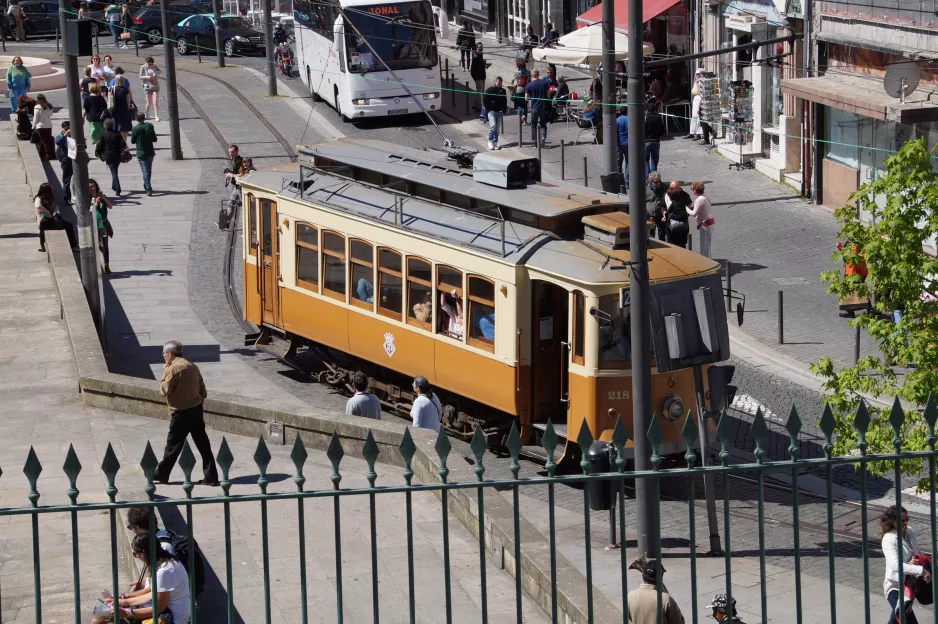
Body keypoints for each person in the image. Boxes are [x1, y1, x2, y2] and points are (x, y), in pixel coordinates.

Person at [154, 340, 220, 486]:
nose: (163, 355)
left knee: (173, 445)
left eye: (164, 353)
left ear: (170, 354)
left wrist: (165, 371)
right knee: (204, 445)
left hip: (181, 413)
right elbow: (203, 390)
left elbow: (164, 391)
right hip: (196, 410)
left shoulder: (173, 369)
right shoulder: (192, 366)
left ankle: (161, 474)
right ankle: (211, 477)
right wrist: (197, 402)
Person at [89, 532, 190, 623]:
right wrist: (124, 600)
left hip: (171, 618)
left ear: (142, 554)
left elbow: (159, 608)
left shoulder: (164, 571)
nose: (137, 557)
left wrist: (128, 613)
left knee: (104, 616)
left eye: (135, 554)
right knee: (101, 615)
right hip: (162, 612)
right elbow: (151, 592)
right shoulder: (163, 562)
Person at [882, 505, 930, 624]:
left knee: (895, 619)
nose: (905, 523)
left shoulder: (909, 533)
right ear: (892, 521)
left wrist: (915, 560)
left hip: (910, 586)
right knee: (908, 619)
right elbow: (894, 565)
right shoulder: (889, 539)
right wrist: (921, 571)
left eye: (907, 519)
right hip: (895, 587)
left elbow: (917, 553)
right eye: (901, 520)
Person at [627, 556, 685, 624]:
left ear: (643, 575)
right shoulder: (665, 600)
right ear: (661, 576)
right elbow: (679, 621)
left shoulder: (630, 596)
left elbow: (629, 616)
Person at [35, 182, 79, 252]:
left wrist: (55, 213)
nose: (52, 189)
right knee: (43, 228)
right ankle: (42, 246)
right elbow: (38, 206)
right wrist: (47, 212)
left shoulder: (52, 197)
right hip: (44, 220)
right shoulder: (38, 198)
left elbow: (56, 207)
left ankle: (73, 245)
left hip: (53, 219)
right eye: (51, 188)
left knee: (69, 225)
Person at [96, 118, 127, 196]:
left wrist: (99, 152)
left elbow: (100, 145)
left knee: (113, 172)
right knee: (114, 170)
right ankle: (114, 186)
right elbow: (123, 144)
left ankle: (118, 188)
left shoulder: (104, 134)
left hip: (108, 155)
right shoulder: (117, 133)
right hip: (117, 155)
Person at [89, 179, 114, 273]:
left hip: (103, 224)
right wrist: (96, 204)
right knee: (95, 246)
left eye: (94, 186)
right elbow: (90, 212)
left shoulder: (101, 196)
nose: (92, 188)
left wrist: (103, 198)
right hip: (94, 226)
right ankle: (94, 266)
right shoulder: (87, 199)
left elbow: (110, 206)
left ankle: (106, 264)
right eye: (90, 187)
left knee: (105, 246)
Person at [131, 112, 157, 196]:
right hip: (150, 151)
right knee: (148, 170)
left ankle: (148, 188)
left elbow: (132, 141)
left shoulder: (135, 128)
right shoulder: (149, 126)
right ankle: (146, 185)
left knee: (145, 171)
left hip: (141, 152)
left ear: (136, 119)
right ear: (144, 118)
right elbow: (154, 139)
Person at [687, 180, 714, 257]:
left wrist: (686, 208)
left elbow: (694, 213)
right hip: (707, 222)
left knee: (704, 245)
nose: (692, 190)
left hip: (705, 224)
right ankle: (706, 258)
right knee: (706, 244)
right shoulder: (705, 195)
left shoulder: (700, 199)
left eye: (692, 188)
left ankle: (705, 260)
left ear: (695, 190)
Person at [525, 69, 550, 145]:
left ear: (532, 75)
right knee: (543, 123)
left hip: (534, 107)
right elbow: (548, 95)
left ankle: (535, 142)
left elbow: (526, 98)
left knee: (534, 125)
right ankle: (543, 136)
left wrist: (530, 97)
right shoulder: (544, 83)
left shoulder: (529, 85)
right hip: (542, 107)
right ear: (538, 74)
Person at [664, 180, 692, 248]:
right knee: (671, 245)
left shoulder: (683, 196)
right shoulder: (667, 195)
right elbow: (663, 206)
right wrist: (664, 213)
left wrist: (670, 215)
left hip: (680, 228)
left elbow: (689, 208)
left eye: (677, 188)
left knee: (681, 246)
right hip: (671, 228)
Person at [483, 76, 507, 150]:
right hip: (492, 111)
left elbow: (504, 100)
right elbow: (484, 99)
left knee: (497, 129)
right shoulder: (489, 90)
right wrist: (488, 109)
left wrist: (504, 110)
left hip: (499, 112)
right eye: (498, 83)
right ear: (495, 82)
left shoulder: (503, 91)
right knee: (493, 125)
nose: (499, 84)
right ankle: (490, 140)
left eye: (501, 83)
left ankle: (495, 141)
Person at [110, 68, 133, 140]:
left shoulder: (112, 89)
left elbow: (109, 99)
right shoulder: (125, 90)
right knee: (124, 128)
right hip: (124, 110)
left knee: (116, 127)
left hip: (115, 110)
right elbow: (128, 102)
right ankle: (124, 143)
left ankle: (118, 143)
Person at [30, 94, 55, 161]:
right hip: (48, 125)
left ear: (37, 99)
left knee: (44, 141)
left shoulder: (37, 107)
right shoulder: (49, 106)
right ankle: (52, 154)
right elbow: (51, 114)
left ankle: (47, 155)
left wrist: (33, 126)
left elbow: (35, 118)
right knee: (49, 140)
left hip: (40, 126)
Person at [55, 121, 74, 205]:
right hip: (66, 160)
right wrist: (65, 135)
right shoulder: (60, 137)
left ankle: (77, 195)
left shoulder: (73, 135)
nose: (68, 130)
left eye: (69, 128)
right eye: (66, 129)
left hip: (74, 158)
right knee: (66, 181)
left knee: (77, 180)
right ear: (62, 129)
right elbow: (58, 142)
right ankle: (67, 199)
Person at [646, 172, 668, 241]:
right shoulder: (645, 189)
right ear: (651, 182)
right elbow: (641, 204)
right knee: (649, 236)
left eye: (659, 181)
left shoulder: (664, 188)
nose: (658, 183)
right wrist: (647, 216)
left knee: (662, 235)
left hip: (661, 215)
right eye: (656, 182)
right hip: (650, 216)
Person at [644, 100, 664, 178]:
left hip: (646, 141)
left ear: (647, 109)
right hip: (656, 141)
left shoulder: (645, 118)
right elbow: (662, 130)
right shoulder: (658, 117)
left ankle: (647, 175)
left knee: (645, 160)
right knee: (654, 161)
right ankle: (654, 178)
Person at [139, 57, 161, 121]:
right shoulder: (143, 67)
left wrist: (156, 73)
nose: (150, 66)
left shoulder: (154, 65)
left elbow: (160, 71)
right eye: (149, 64)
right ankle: (147, 114)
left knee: (156, 101)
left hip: (155, 85)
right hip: (147, 86)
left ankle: (156, 116)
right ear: (146, 63)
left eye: (151, 64)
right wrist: (147, 77)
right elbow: (140, 77)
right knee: (149, 102)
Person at [469, 42, 486, 111]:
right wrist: (475, 77)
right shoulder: (476, 56)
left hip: (482, 76)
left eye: (481, 46)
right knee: (480, 92)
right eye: (479, 47)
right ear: (477, 48)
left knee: (480, 91)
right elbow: (473, 69)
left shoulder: (480, 55)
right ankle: (480, 106)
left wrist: (485, 66)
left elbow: (480, 66)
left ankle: (475, 105)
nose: (481, 48)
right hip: (479, 77)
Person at [615, 107, 629, 189]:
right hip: (629, 144)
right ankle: (627, 182)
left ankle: (620, 182)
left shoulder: (617, 120)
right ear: (627, 111)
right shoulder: (630, 119)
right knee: (628, 163)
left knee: (619, 163)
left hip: (619, 144)